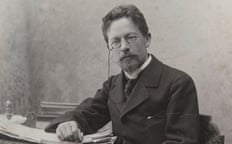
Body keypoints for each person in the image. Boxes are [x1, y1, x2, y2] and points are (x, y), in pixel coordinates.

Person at [45, 4, 200, 144]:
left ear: (147, 39)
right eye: (116, 42)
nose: (124, 47)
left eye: (131, 37)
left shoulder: (178, 84)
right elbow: (88, 113)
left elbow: (181, 141)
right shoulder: (112, 85)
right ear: (110, 49)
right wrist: (70, 122)